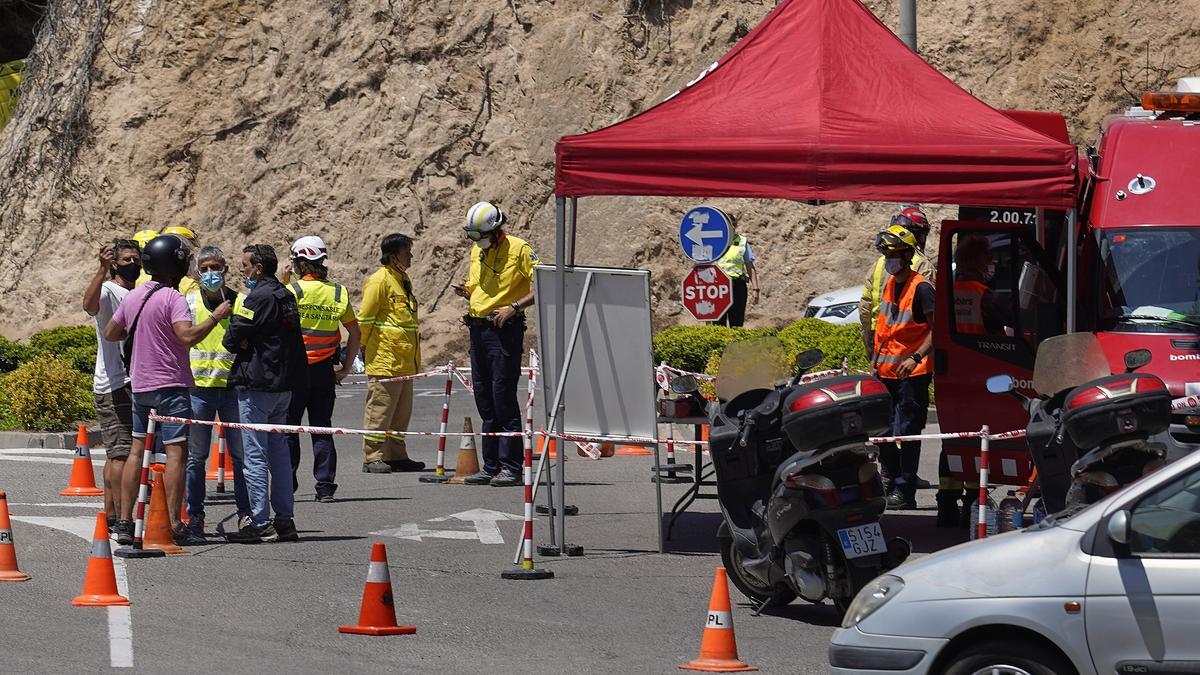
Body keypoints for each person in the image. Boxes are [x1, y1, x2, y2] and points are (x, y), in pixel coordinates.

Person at [105, 235, 230, 547]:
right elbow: (186, 336)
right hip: (171, 387)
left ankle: (123, 520)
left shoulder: (134, 297)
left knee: (137, 450)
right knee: (177, 452)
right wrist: (215, 317)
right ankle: (174, 522)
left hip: (140, 385)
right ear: (174, 263)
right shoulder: (173, 298)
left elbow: (111, 332)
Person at [222, 244, 307, 544]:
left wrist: (247, 341)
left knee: (255, 456)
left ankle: (260, 522)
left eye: (245, 264)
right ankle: (285, 520)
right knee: (280, 455)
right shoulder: (286, 295)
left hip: (257, 385)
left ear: (258, 268)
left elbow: (231, 339)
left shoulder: (255, 298)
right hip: (284, 385)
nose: (241, 270)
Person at [452, 201, 536, 487]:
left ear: (497, 230)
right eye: (472, 236)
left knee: (503, 397)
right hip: (479, 331)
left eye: (479, 235)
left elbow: (544, 285)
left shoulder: (520, 249)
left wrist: (513, 306)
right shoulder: (477, 250)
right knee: (484, 399)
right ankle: (490, 465)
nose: (475, 241)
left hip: (504, 331)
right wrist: (468, 295)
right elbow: (479, 288)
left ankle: (511, 466)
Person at [183, 245, 252, 535]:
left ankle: (246, 515)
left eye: (217, 267)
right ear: (198, 272)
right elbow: (183, 338)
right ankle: (195, 516)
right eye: (206, 268)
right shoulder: (187, 302)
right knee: (195, 458)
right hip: (198, 388)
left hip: (233, 389)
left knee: (242, 456)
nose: (212, 273)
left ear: (226, 269)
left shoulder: (241, 301)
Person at [285, 236, 361, 499]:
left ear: (301, 263)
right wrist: (347, 367)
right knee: (322, 428)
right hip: (324, 372)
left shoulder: (292, 291)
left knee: (290, 429)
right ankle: (325, 487)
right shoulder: (337, 292)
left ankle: (288, 484)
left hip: (295, 370)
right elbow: (355, 332)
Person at [870, 224, 934, 510]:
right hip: (886, 373)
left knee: (907, 433)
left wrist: (916, 358)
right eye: (886, 254)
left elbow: (937, 330)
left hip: (913, 375)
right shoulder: (891, 284)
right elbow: (886, 327)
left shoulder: (921, 288)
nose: (889, 260)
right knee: (883, 432)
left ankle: (905, 490)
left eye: (893, 254)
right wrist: (874, 358)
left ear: (908, 255)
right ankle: (893, 479)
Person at [82, 239, 140, 535]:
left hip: (135, 382)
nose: (133, 265)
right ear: (116, 263)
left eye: (137, 259)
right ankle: (120, 516)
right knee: (121, 454)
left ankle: (112, 511)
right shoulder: (108, 290)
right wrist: (102, 269)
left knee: (119, 454)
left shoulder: (139, 292)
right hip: (115, 384)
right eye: (127, 260)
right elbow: (88, 305)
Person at [358, 233, 423, 474]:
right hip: (385, 359)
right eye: (407, 252)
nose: (411, 256)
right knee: (380, 410)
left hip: (405, 361)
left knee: (401, 413)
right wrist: (360, 349)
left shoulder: (402, 279)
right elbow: (365, 319)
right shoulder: (379, 280)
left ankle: (396, 455)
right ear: (394, 255)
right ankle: (372, 456)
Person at [859, 207, 934, 357]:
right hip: (909, 340)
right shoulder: (923, 265)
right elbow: (931, 310)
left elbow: (865, 308)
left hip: (880, 336)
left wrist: (868, 342)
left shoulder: (879, 263)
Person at [952, 234, 1012, 335]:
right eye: (989, 258)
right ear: (979, 262)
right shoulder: (987, 298)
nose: (992, 262)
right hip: (984, 350)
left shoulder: (946, 294)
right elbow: (1019, 320)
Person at [714, 213, 759, 328]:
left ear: (734, 226)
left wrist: (755, 289)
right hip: (717, 287)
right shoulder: (713, 241)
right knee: (718, 326)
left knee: (736, 324)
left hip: (737, 286)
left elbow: (750, 267)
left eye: (730, 224)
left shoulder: (742, 242)